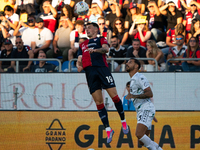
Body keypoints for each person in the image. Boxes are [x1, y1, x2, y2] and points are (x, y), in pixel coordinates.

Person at [76, 22, 129, 144]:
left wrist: (95, 51)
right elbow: (79, 60)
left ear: (96, 29)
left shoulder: (101, 39)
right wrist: (78, 66)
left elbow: (106, 49)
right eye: (86, 28)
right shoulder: (82, 45)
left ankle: (123, 121)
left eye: (89, 28)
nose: (87, 30)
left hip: (102, 69)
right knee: (98, 102)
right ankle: (108, 129)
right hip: (90, 73)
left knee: (114, 97)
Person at [126, 58, 163, 150]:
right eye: (127, 62)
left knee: (139, 134)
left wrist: (133, 96)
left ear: (136, 66)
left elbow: (150, 93)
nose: (127, 63)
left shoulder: (140, 77)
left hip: (145, 109)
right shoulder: (133, 80)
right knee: (142, 141)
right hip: (142, 111)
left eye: (130, 62)